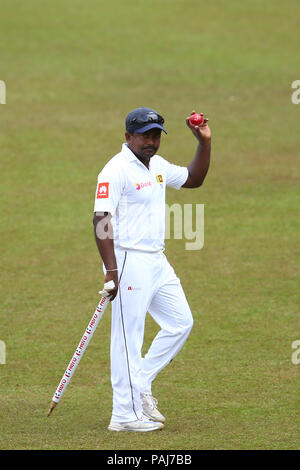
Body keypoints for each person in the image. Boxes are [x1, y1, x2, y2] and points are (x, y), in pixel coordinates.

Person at [93, 107, 211, 432]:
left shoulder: (156, 166)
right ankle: (124, 415)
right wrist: (111, 270)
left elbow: (193, 178)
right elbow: (101, 218)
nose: (151, 141)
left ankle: (140, 383)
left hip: (156, 261)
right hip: (128, 261)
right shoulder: (115, 170)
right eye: (145, 135)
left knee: (180, 322)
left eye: (156, 135)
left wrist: (204, 142)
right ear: (128, 136)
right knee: (129, 338)